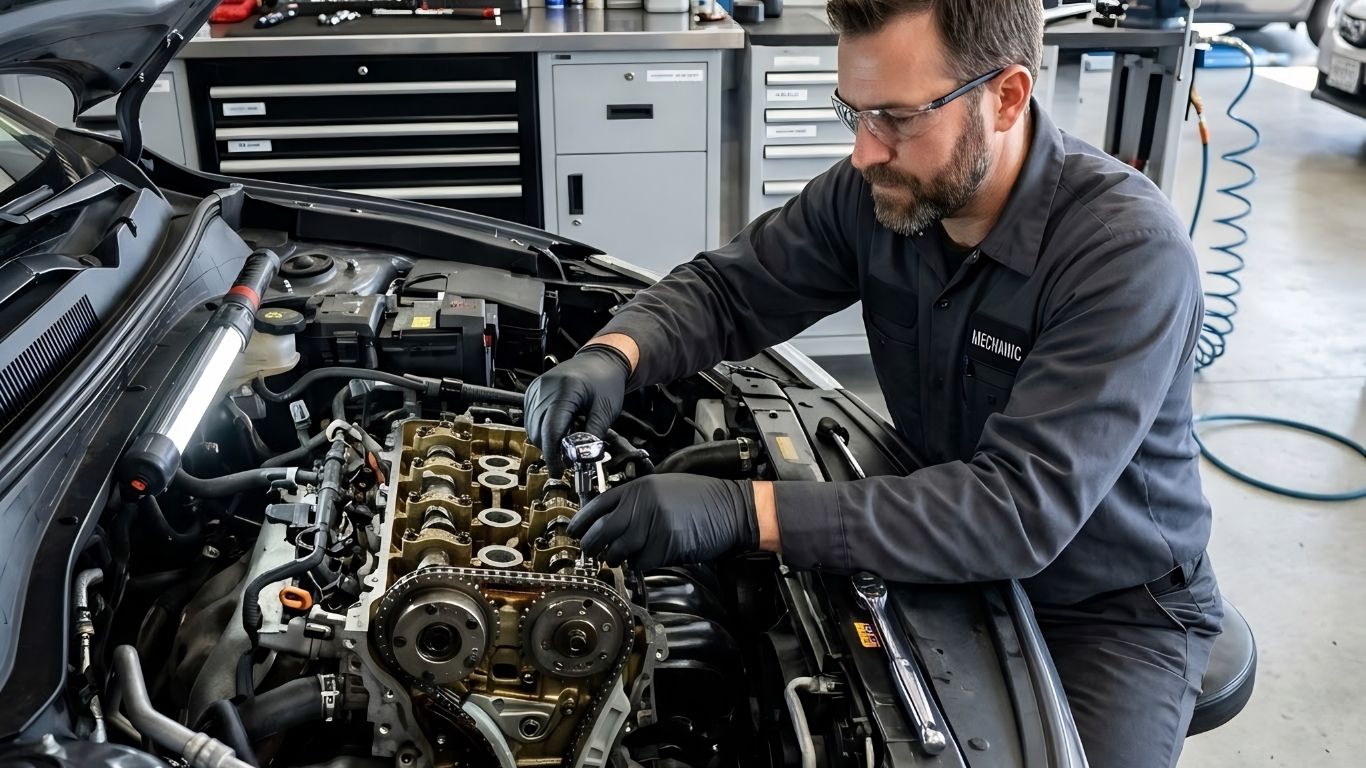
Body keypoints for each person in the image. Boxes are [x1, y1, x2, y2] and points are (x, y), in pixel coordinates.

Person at [524, 1, 1221, 764]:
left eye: (894, 117)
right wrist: (615, 351)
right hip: (940, 544)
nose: (862, 152)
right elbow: (733, 291)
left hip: (1107, 609)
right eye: (852, 112)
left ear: (1008, 95)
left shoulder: (1125, 255)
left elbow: (1015, 511)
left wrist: (743, 509)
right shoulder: (883, 194)